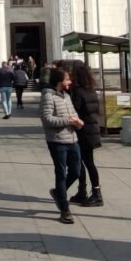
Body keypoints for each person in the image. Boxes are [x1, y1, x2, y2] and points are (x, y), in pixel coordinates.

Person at [40, 67, 83, 224]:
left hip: (72, 139)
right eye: (67, 79)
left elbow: (73, 113)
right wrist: (68, 121)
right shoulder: (48, 97)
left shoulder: (66, 96)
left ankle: (58, 193)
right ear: (59, 81)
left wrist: (77, 122)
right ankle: (65, 210)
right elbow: (47, 119)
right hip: (57, 141)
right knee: (61, 173)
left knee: (77, 171)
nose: (70, 82)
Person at [70, 62, 103, 206]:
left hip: (83, 130)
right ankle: (85, 191)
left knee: (84, 162)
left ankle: (94, 194)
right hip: (92, 128)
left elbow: (75, 110)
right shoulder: (91, 90)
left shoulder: (77, 92)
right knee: (87, 162)